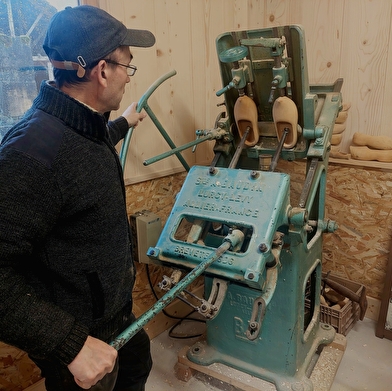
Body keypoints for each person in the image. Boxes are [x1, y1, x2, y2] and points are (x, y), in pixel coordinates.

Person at [0, 5, 156, 391]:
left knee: (138, 362)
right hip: (78, 338)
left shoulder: (84, 122)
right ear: (103, 71)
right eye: (127, 67)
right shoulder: (30, 155)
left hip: (114, 317)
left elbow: (82, 157)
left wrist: (123, 124)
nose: (128, 79)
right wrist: (69, 345)